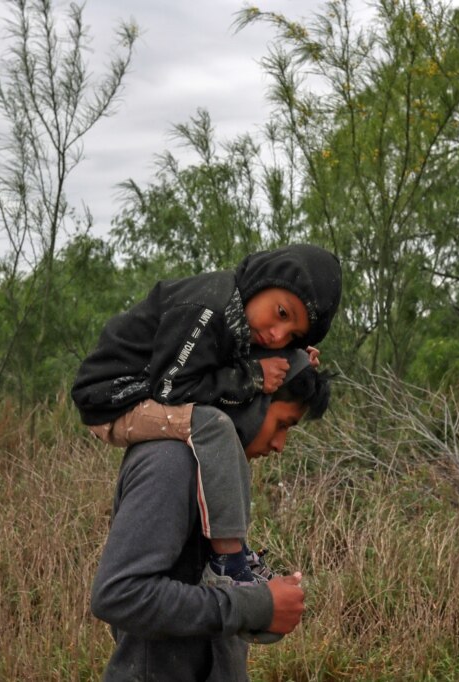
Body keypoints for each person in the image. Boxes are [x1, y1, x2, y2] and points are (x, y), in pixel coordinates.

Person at [72, 244, 341, 584]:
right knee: (213, 425)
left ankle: (234, 555)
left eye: (293, 335)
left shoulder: (241, 315)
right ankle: (229, 560)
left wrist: (296, 357)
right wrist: (253, 376)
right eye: (282, 314)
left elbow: (223, 356)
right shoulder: (208, 306)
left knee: (213, 425)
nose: (277, 334)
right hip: (114, 397)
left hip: (151, 387)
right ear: (262, 281)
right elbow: (170, 389)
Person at [90, 352, 332, 681]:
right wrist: (251, 606)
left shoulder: (214, 465)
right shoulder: (171, 463)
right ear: (249, 402)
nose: (280, 445)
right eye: (281, 424)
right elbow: (119, 595)